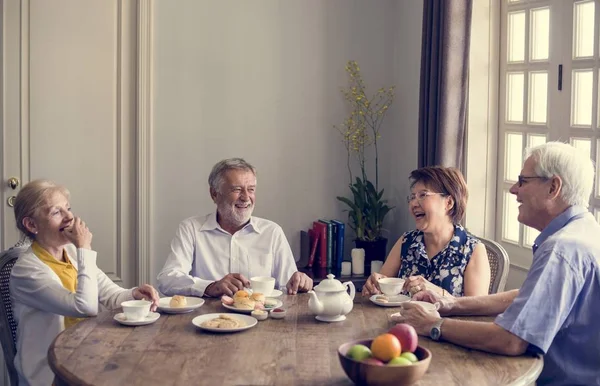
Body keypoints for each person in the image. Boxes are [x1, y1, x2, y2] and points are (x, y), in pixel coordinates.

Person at [396, 142, 600, 385]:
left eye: (523, 181)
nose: (514, 189)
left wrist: (433, 324)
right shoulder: (585, 229)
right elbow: (525, 296)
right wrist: (451, 303)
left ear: (553, 187)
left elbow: (511, 340)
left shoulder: (561, 250)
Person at [9, 179, 159, 386]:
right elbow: (85, 307)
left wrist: (134, 294)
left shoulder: (70, 252)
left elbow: (111, 295)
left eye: (68, 209)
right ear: (31, 224)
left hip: (87, 353)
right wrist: (84, 248)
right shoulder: (26, 271)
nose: (69, 217)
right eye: (56, 212)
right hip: (51, 373)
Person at [157, 158, 312, 297]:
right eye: (237, 189)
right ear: (214, 194)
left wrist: (300, 283)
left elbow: (288, 286)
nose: (245, 197)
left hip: (261, 320)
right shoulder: (191, 228)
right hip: (207, 320)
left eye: (251, 189)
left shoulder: (272, 232)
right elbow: (168, 279)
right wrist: (210, 286)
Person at [362, 166, 490, 298]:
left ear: (449, 202)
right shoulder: (407, 241)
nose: (413, 204)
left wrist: (438, 293)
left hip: (443, 320)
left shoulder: (472, 249)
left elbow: (476, 310)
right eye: (412, 197)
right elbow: (383, 288)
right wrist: (375, 286)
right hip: (402, 318)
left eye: (423, 195)